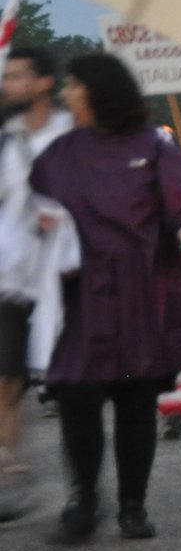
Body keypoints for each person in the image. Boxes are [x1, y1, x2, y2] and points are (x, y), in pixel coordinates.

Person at [29, 52, 181, 542]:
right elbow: (27, 211)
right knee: (77, 399)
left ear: (98, 92)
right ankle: (84, 500)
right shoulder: (57, 152)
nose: (66, 94)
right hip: (80, 304)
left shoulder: (153, 147)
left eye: (74, 86)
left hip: (138, 303)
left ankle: (133, 505)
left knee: (134, 400)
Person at [0, 46, 73, 504]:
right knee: (5, 377)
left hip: (65, 277)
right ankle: (7, 467)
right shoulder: (5, 137)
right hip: (10, 275)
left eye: (18, 77)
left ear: (44, 82)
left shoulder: (71, 134)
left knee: (75, 388)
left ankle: (83, 486)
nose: (8, 85)